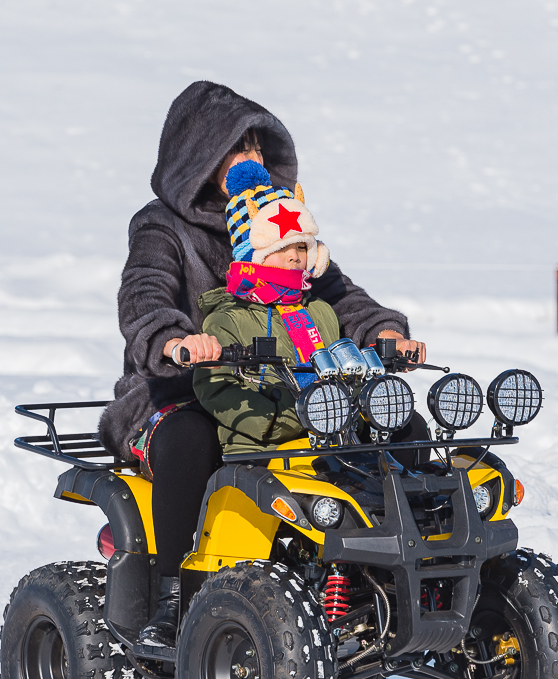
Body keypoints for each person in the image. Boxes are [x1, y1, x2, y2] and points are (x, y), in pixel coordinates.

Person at [102, 82, 426, 647]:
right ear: (198, 157)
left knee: (393, 420)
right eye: (236, 150)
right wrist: (176, 339)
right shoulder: (161, 226)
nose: (251, 161)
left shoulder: (277, 220)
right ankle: (173, 599)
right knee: (189, 438)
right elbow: (144, 294)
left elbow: (338, 294)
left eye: (257, 149)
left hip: (284, 387)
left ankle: (410, 567)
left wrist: (383, 332)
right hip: (179, 389)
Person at [192, 159, 339, 453]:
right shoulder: (227, 318)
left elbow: (339, 371)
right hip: (257, 449)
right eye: (281, 248)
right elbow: (214, 385)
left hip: (330, 441)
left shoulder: (320, 310)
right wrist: (276, 420)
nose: (294, 257)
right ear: (253, 255)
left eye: (301, 247)